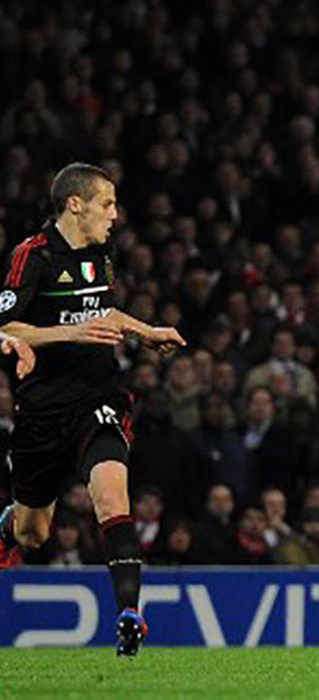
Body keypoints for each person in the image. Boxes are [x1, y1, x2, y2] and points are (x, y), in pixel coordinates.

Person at [0, 162, 186, 656]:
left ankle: (129, 615)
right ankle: (7, 526)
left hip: (98, 396)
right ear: (75, 204)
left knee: (111, 494)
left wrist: (145, 331)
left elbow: (100, 313)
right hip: (42, 408)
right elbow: (7, 329)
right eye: (107, 203)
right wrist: (69, 333)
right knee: (33, 532)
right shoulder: (31, 256)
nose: (116, 214)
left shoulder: (100, 253)